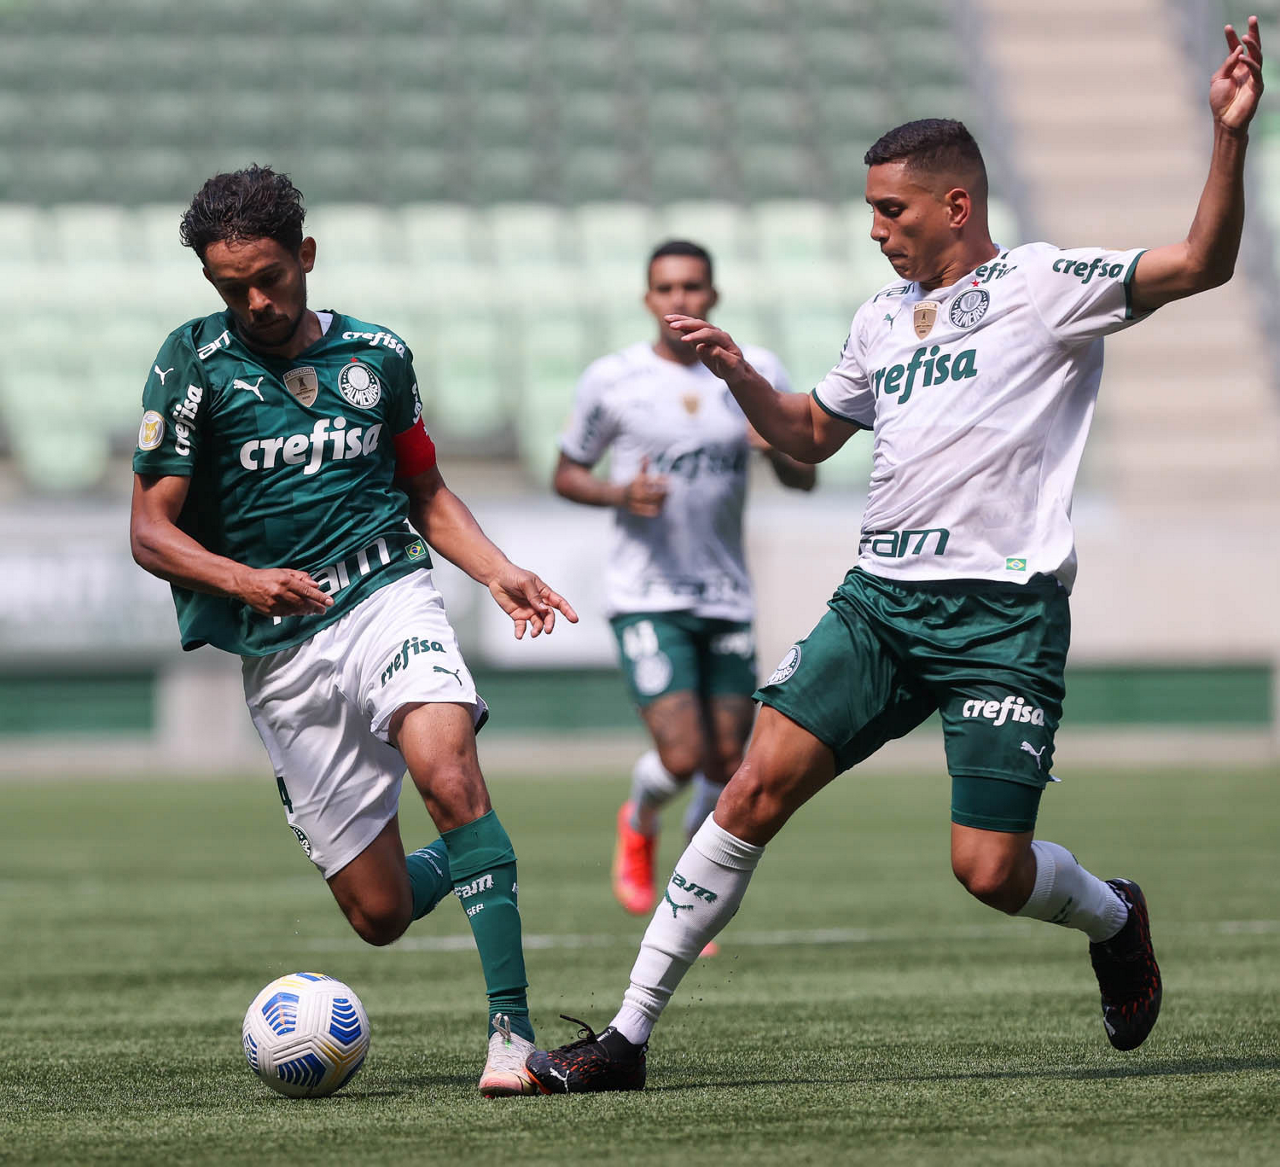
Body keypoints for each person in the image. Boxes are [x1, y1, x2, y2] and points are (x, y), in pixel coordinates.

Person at [525, 17, 1265, 1092]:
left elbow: (1200, 262)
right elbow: (806, 437)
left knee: (987, 870)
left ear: (956, 205)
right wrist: (737, 372)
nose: (875, 230)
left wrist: (1228, 136)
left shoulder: (1045, 285)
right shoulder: (880, 319)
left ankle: (1113, 915)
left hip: (1002, 616)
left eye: (891, 210)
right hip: (879, 605)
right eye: (870, 210)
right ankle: (626, 1039)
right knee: (747, 792)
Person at [129, 165, 578, 1097]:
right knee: (379, 914)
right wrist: (244, 579)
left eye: (269, 278)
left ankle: (511, 1034)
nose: (255, 302)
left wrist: (496, 570)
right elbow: (150, 531)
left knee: (448, 770)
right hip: (282, 645)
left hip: (386, 592)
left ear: (306, 254)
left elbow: (425, 491)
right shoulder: (191, 364)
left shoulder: (379, 355)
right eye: (231, 287)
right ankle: (478, 854)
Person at [552, 240, 815, 936]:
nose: (680, 300)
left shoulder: (755, 372)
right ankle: (640, 817)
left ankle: (686, 903)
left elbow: (805, 475)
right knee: (682, 756)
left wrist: (777, 447)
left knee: (727, 765)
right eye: (667, 288)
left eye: (693, 287)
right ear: (649, 299)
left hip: (725, 594)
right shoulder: (614, 380)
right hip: (646, 593)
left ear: (713, 296)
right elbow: (566, 473)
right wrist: (619, 492)